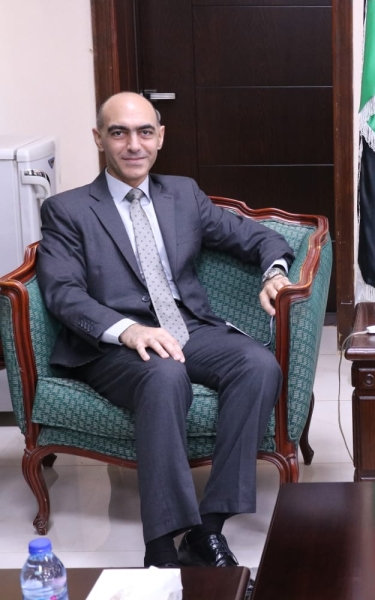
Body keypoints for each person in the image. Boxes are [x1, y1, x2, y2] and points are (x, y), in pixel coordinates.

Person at [36, 92, 295, 568]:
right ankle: (159, 548)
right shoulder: (67, 209)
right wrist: (128, 330)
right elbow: (62, 292)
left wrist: (274, 273)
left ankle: (208, 528)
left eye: (144, 132)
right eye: (119, 133)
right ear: (98, 139)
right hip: (114, 346)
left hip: (188, 327)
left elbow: (256, 237)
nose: (133, 145)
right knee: (164, 375)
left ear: (160, 137)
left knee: (258, 365)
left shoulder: (183, 194)